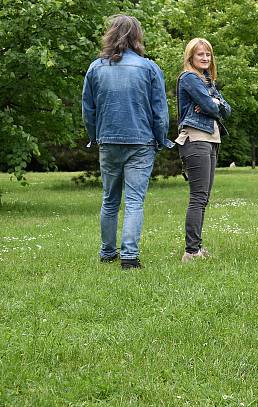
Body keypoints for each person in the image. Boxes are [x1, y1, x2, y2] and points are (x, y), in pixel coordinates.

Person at [82, 14, 173, 270]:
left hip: (108, 140)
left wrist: (94, 136)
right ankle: (129, 257)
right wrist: (160, 138)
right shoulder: (149, 68)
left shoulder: (95, 68)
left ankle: (107, 252)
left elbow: (88, 110)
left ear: (110, 34)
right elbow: (160, 112)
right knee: (134, 201)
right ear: (137, 37)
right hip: (141, 141)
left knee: (109, 199)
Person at [175, 38, 231, 263]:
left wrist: (214, 102)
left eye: (208, 54)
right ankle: (191, 252)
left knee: (203, 197)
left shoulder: (207, 81)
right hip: (196, 138)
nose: (205, 58)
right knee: (198, 197)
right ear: (191, 57)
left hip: (210, 139)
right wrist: (213, 104)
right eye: (200, 54)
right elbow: (210, 107)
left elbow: (227, 110)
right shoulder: (189, 78)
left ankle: (196, 247)